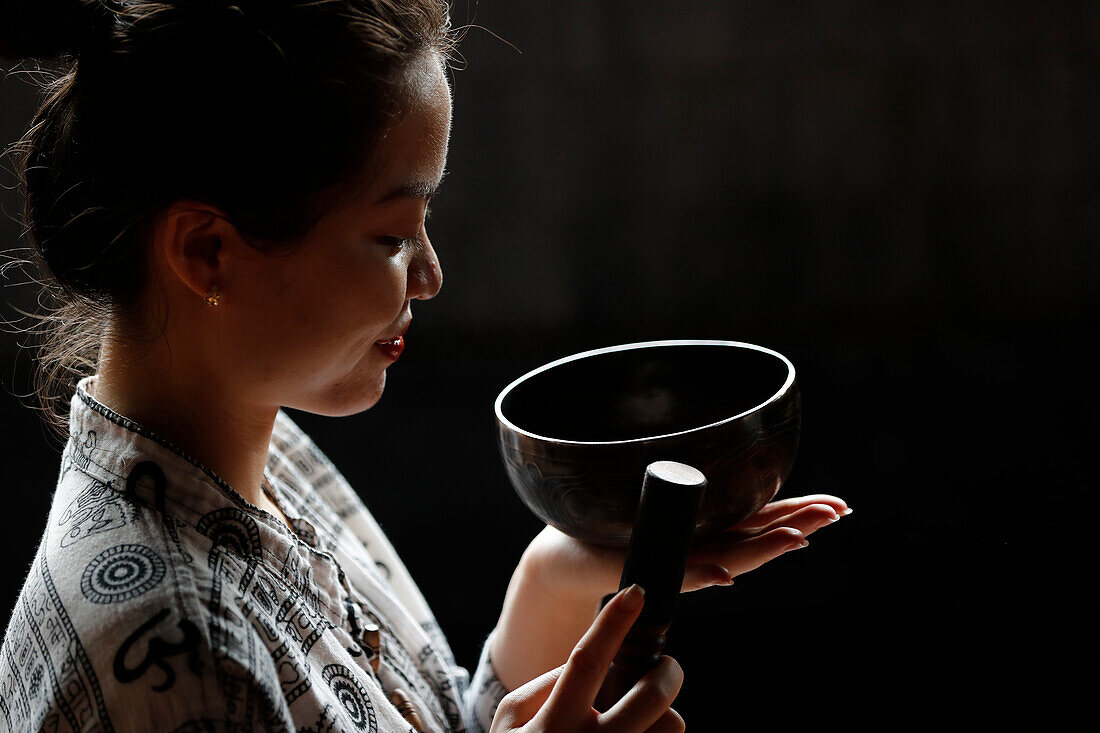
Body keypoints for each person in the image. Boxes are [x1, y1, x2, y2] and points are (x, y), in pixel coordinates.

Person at [0, 1, 850, 731]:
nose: (432, 276)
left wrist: (556, 577)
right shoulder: (175, 653)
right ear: (208, 250)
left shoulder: (261, 454)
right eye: (393, 236)